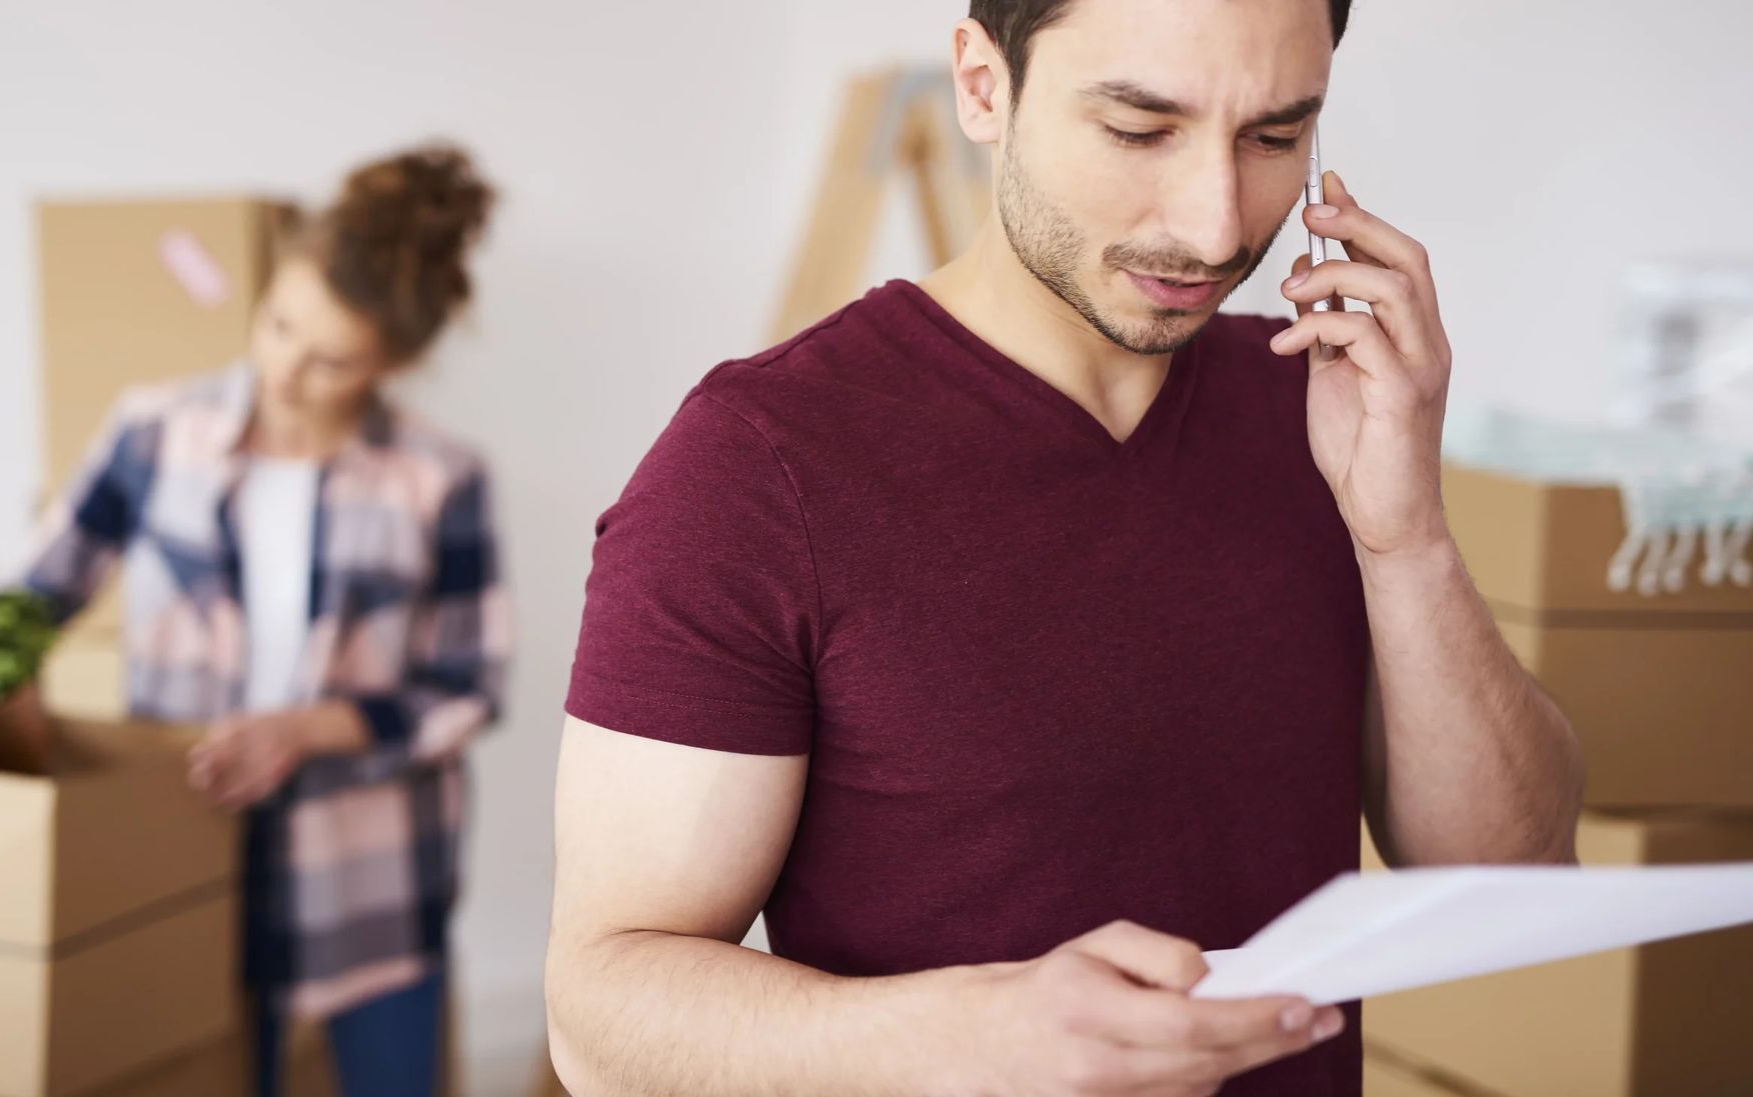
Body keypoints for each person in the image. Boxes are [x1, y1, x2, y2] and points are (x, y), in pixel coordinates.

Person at [545, 1, 1585, 1094]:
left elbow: (1510, 881)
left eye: (1274, 138)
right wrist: (968, 1037)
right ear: (985, 85)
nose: (1216, 223)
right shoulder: (757, 466)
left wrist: (1406, 533)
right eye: (1140, 130)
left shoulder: (1323, 409)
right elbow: (601, 1018)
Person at [23, 144, 508, 1097]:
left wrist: (307, 730)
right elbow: (36, 595)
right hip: (184, 844)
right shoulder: (155, 431)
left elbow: (470, 688)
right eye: (279, 324)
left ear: (394, 361)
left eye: (331, 359)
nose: (286, 369)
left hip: (373, 873)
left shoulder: (442, 477)